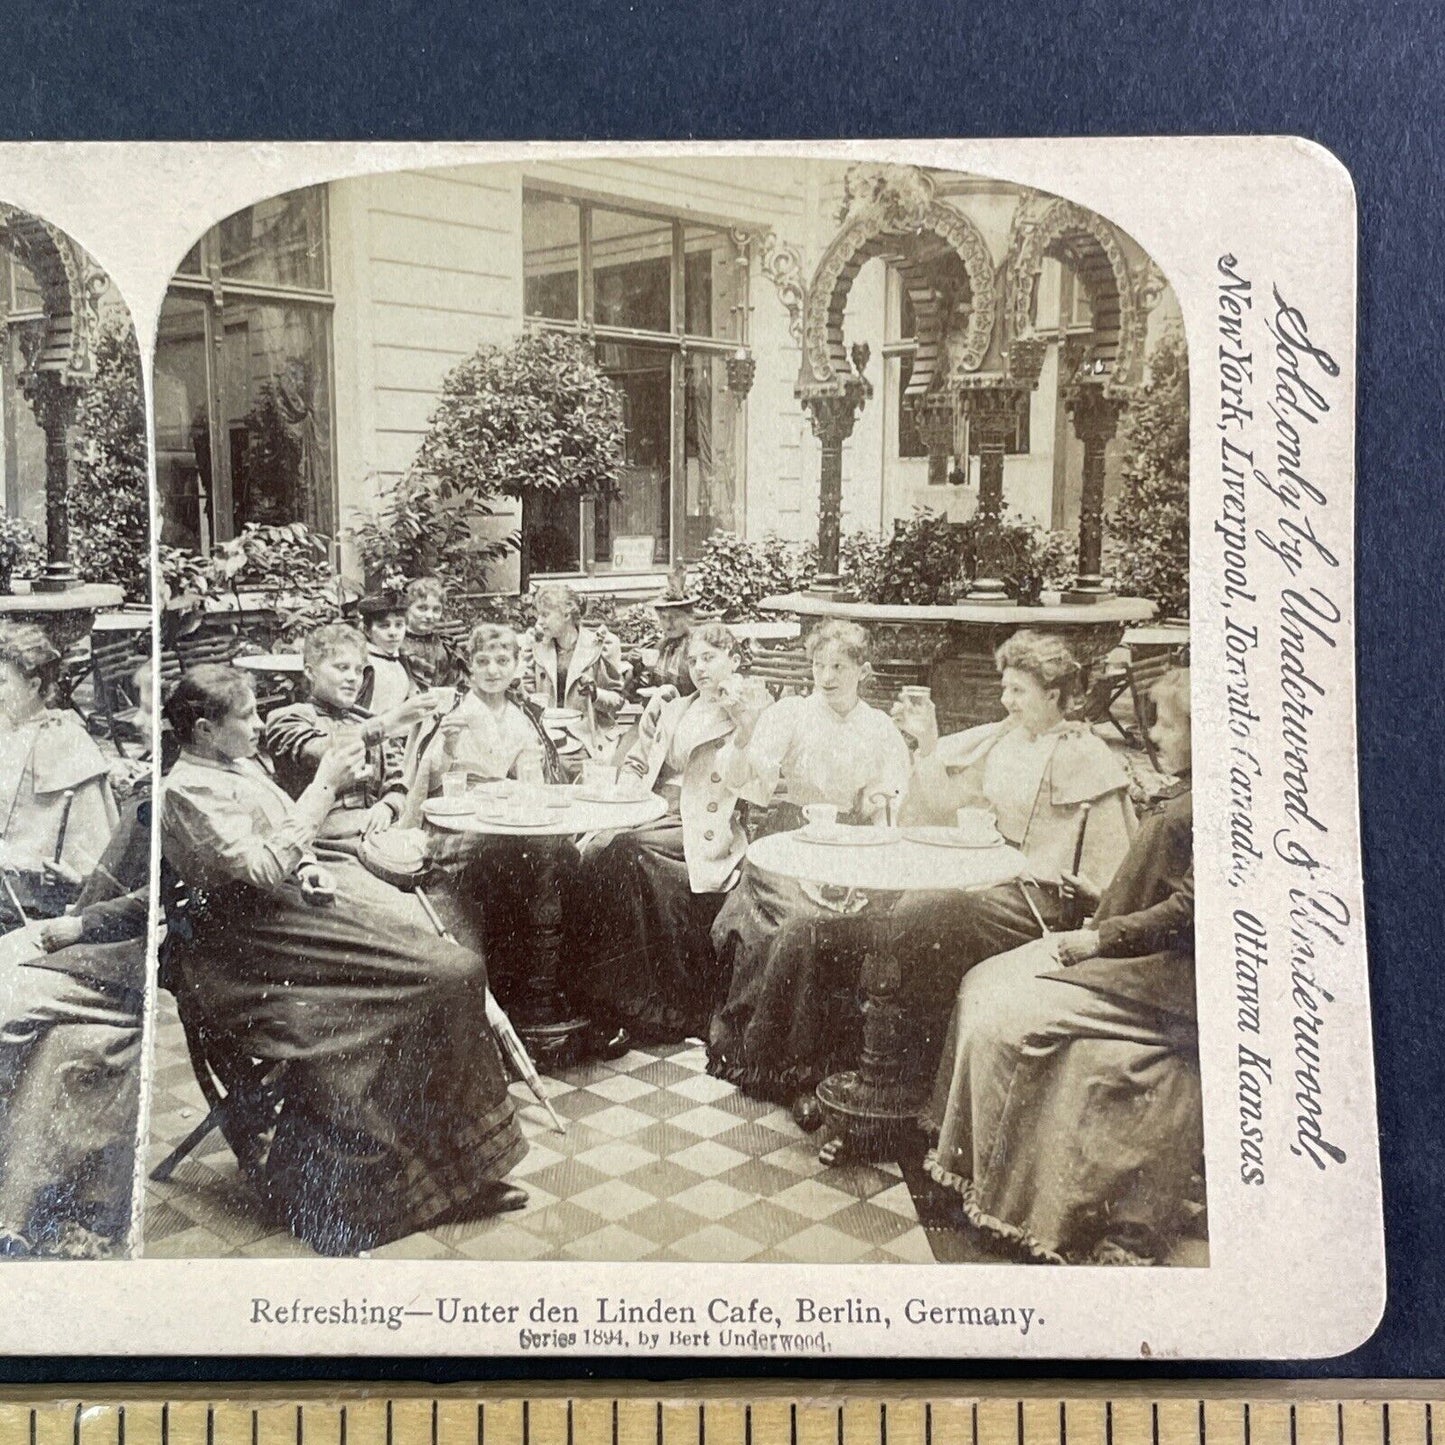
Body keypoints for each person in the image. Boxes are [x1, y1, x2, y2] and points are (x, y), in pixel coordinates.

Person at [160, 664, 527, 1256]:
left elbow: (281, 843)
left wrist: (306, 867)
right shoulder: (186, 791)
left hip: (287, 918)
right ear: (204, 730)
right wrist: (324, 787)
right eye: (247, 717)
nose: (258, 724)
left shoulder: (233, 765)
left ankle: (462, 1170)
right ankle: (368, 1193)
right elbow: (256, 868)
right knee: (441, 977)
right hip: (243, 953)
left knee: (453, 968)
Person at [925, 670, 1198, 1266]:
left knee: (1002, 1012)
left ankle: (1003, 1190)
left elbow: (1194, 907)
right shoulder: (1187, 793)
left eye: (1167, 724)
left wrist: (1099, 938)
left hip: (1164, 977)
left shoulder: (1207, 804)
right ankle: (966, 1163)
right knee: (982, 982)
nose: (1152, 735)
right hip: (1128, 945)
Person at [887, 630, 1135, 1079]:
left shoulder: (1088, 755)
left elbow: (1113, 868)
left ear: (1054, 694)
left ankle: (912, 1075)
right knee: (913, 908)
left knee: (930, 917)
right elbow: (947, 804)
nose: (1006, 701)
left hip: (1043, 904)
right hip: (994, 883)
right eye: (1005, 688)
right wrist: (927, 742)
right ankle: (901, 1063)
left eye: (1018, 690)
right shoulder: (1007, 740)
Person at [707, 619, 912, 1122]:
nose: (825, 676)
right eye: (818, 665)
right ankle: (787, 1069)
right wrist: (746, 736)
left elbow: (893, 797)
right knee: (802, 923)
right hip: (784, 839)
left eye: (838, 666)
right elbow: (745, 783)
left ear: (863, 671)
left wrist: (880, 798)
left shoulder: (879, 727)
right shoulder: (791, 714)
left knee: (865, 923)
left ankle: (844, 1063)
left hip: (852, 845)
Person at [573, 623, 753, 1045]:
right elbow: (638, 761)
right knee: (593, 851)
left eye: (709, 658)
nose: (699, 669)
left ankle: (655, 1008)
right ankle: (606, 999)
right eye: (693, 660)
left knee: (628, 849)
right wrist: (625, 795)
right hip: (652, 810)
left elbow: (755, 775)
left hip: (704, 821)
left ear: (735, 660)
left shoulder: (749, 707)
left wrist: (744, 720)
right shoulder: (676, 707)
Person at [0, 788, 150, 1258]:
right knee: (32, 1009)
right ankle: (13, 1213)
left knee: (12, 1005)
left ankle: (16, 1216)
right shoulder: (159, 790)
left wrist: (86, 923)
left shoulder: (186, 794)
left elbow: (172, 896)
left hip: (129, 962)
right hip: (102, 951)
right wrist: (81, 886)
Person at [263, 622, 436, 842]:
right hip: (320, 845)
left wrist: (387, 806)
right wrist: (390, 721)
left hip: (376, 837)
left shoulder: (364, 720)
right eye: (342, 668)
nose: (353, 678)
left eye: (358, 670)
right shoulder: (287, 718)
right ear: (310, 672)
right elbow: (320, 752)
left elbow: (398, 784)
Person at [0, 623, 118, 921]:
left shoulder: (65, 740)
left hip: (38, 899)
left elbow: (89, 844)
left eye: (2, 682)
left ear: (34, 685)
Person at [526, 584, 624, 721]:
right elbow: (524, 697)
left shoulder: (601, 645)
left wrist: (596, 694)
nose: (539, 622)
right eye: (538, 616)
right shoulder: (537, 648)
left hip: (587, 733)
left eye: (545, 615)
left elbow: (617, 701)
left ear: (566, 614)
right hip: (548, 732)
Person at [355, 590, 417, 717]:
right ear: (367, 631)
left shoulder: (402, 662)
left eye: (399, 625)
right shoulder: (364, 664)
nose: (393, 633)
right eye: (384, 626)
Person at [399, 577, 460, 689]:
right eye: (422, 608)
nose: (429, 616)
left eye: (436, 610)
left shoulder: (446, 645)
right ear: (406, 609)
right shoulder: (398, 644)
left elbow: (457, 680)